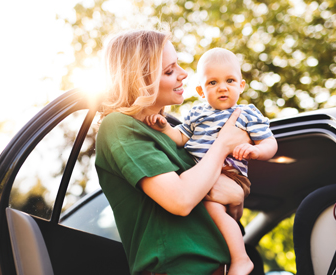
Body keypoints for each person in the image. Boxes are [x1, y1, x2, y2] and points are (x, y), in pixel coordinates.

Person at [95, 29, 252, 275]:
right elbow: (180, 200)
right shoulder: (118, 126)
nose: (183, 74)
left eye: (177, 65)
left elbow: (231, 202)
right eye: (169, 70)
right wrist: (224, 144)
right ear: (140, 79)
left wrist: (233, 193)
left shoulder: (173, 131)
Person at [144, 47, 278, 275]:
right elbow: (180, 138)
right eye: (212, 83)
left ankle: (241, 259)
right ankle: (224, 261)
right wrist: (165, 126)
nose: (222, 87)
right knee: (208, 216)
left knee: (213, 210)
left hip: (230, 173)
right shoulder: (196, 114)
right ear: (200, 90)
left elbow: (270, 144)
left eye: (230, 80)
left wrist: (255, 151)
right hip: (204, 173)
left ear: (241, 85)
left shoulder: (247, 114)